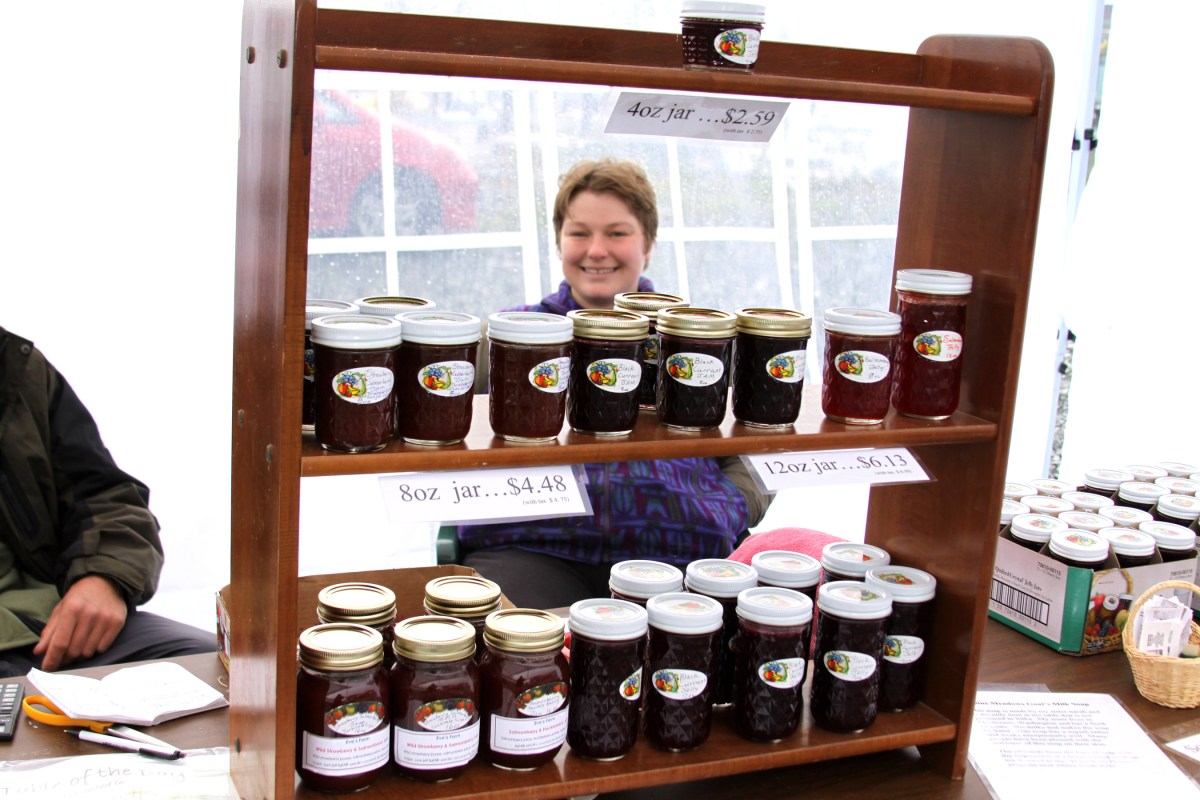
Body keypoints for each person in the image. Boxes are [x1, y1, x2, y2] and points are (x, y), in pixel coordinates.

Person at [458, 158, 771, 608]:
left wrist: (734, 502)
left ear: (648, 243)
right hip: (531, 551)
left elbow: (762, 434)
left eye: (618, 233)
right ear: (560, 241)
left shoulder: (701, 339)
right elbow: (448, 430)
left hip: (681, 555)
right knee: (529, 662)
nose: (597, 250)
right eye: (579, 232)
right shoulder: (514, 334)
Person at [0, 326, 214, 677]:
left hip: (45, 626)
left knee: (223, 676)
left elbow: (105, 496)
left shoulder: (15, 369)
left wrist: (103, 578)